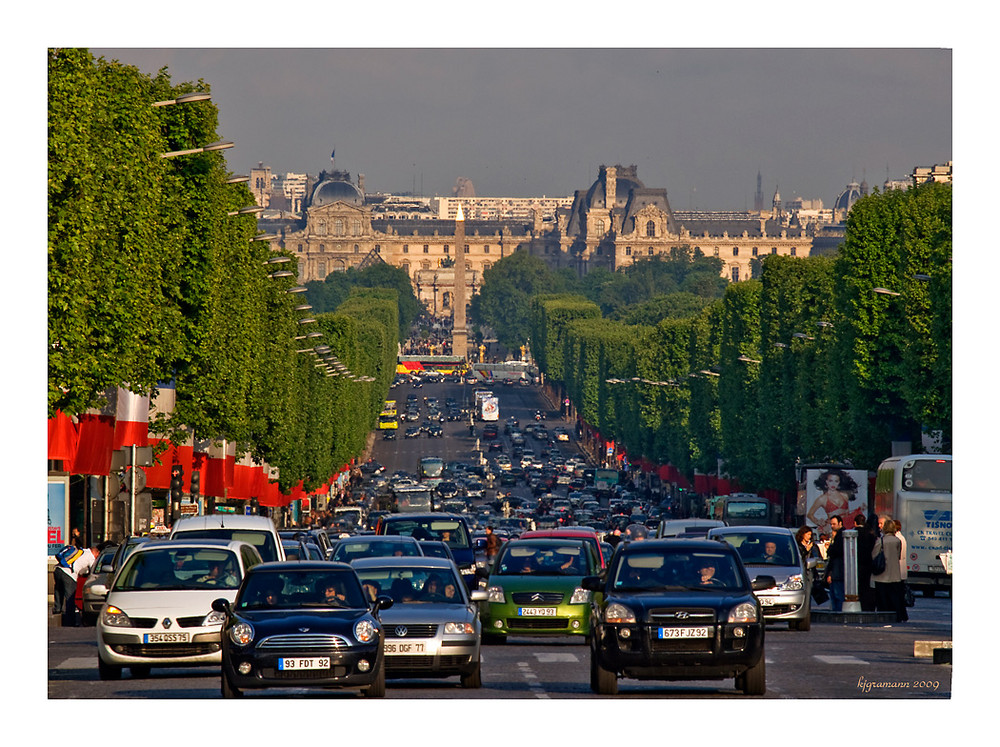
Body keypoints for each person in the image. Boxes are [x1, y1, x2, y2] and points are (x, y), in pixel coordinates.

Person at [54, 541, 99, 627]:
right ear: (96, 553)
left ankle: (57, 609)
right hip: (69, 574)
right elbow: (93, 571)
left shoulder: (82, 551)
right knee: (70, 597)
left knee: (59, 590)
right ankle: (70, 621)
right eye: (97, 555)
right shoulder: (91, 557)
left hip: (58, 569)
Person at [806, 468, 860, 537]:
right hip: (831, 528)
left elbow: (847, 512)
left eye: (836, 481)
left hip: (845, 526)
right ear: (826, 482)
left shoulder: (844, 495)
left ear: (839, 482)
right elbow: (810, 514)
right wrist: (818, 522)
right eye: (831, 481)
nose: (833, 484)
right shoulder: (822, 499)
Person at [872, 520, 908, 622]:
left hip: (882, 573)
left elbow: (874, 555)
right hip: (895, 573)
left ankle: (883, 616)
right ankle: (896, 615)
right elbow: (899, 555)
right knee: (894, 596)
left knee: (882, 597)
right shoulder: (898, 541)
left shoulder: (881, 541)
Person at [856, 514, 878, 611]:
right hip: (869, 562)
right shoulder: (871, 533)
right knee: (867, 586)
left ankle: (860, 603)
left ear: (855, 523)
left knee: (860, 586)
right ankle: (868, 605)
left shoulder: (855, 532)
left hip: (858, 563)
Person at [825, 515, 845, 612]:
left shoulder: (840, 536)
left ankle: (837, 612)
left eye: (834, 524)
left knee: (837, 594)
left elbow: (834, 552)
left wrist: (831, 548)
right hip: (837, 570)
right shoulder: (839, 535)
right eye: (831, 524)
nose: (832, 526)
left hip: (838, 570)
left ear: (840, 523)